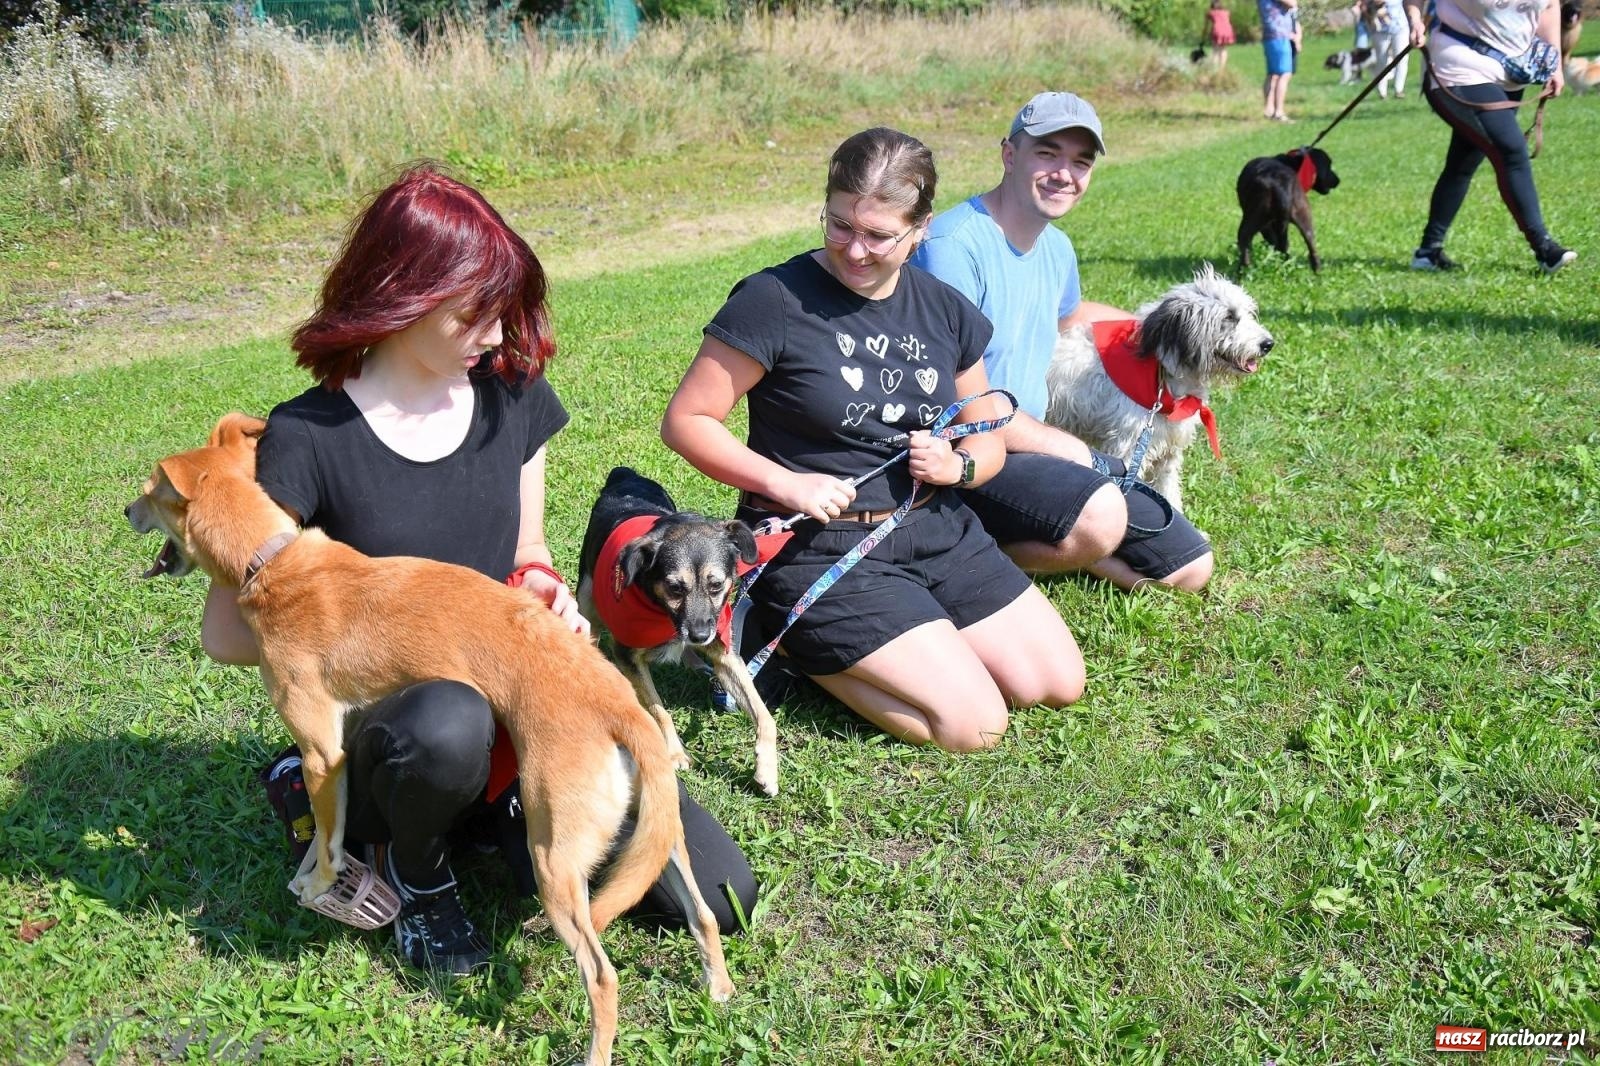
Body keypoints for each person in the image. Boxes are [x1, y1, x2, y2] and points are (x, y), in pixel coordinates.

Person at [202, 163, 757, 976]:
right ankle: (410, 869)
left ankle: (481, 811)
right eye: (475, 313)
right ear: (398, 295)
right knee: (447, 722)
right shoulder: (307, 436)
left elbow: (526, 551)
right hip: (400, 718)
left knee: (719, 888)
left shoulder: (510, 395)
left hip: (519, 697)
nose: (497, 335)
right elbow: (227, 634)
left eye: (507, 311)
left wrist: (542, 585)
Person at [661, 127, 1083, 754]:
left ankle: (900, 636)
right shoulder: (771, 300)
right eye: (838, 225)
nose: (853, 250)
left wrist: (959, 468)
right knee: (975, 727)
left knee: (1055, 683)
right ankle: (788, 640)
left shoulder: (944, 308)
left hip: (934, 527)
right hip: (819, 544)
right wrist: (785, 483)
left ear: (921, 230)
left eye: (879, 235)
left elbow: (987, 431)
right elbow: (687, 421)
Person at [909, 92, 1215, 594]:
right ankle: (954, 547)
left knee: (1189, 568)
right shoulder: (953, 248)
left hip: (1026, 447)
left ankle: (1045, 545)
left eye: (1080, 162)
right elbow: (956, 399)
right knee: (1100, 517)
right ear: (1010, 154)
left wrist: (1164, 330)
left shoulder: (1056, 247)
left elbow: (1069, 320)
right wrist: (1070, 450)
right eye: (1047, 154)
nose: (1064, 174)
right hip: (964, 451)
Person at [1403, 0, 1576, 273]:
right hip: (1458, 61)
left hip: (1512, 69)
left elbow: (1550, 6)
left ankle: (1428, 252)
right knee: (1511, 150)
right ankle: (1545, 249)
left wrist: (1554, 62)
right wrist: (1414, 20)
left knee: (1463, 162)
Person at [1259, 0, 1300, 121]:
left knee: (1273, 74)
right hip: (1280, 35)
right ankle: (1279, 112)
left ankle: (1269, 109)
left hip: (1271, 35)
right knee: (1284, 74)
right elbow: (1292, 3)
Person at [1367, 0, 1411, 98]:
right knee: (1381, 60)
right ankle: (1382, 92)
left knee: (1402, 59)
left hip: (1400, 26)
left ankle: (1399, 90)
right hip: (1380, 30)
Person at [1206, 0, 1237, 71]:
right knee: (1223, 48)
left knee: (1215, 50)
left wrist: (1204, 36)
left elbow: (1206, 26)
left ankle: (1214, 69)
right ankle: (1222, 70)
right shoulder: (1226, 12)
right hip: (1228, 30)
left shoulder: (1210, 13)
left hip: (1217, 30)